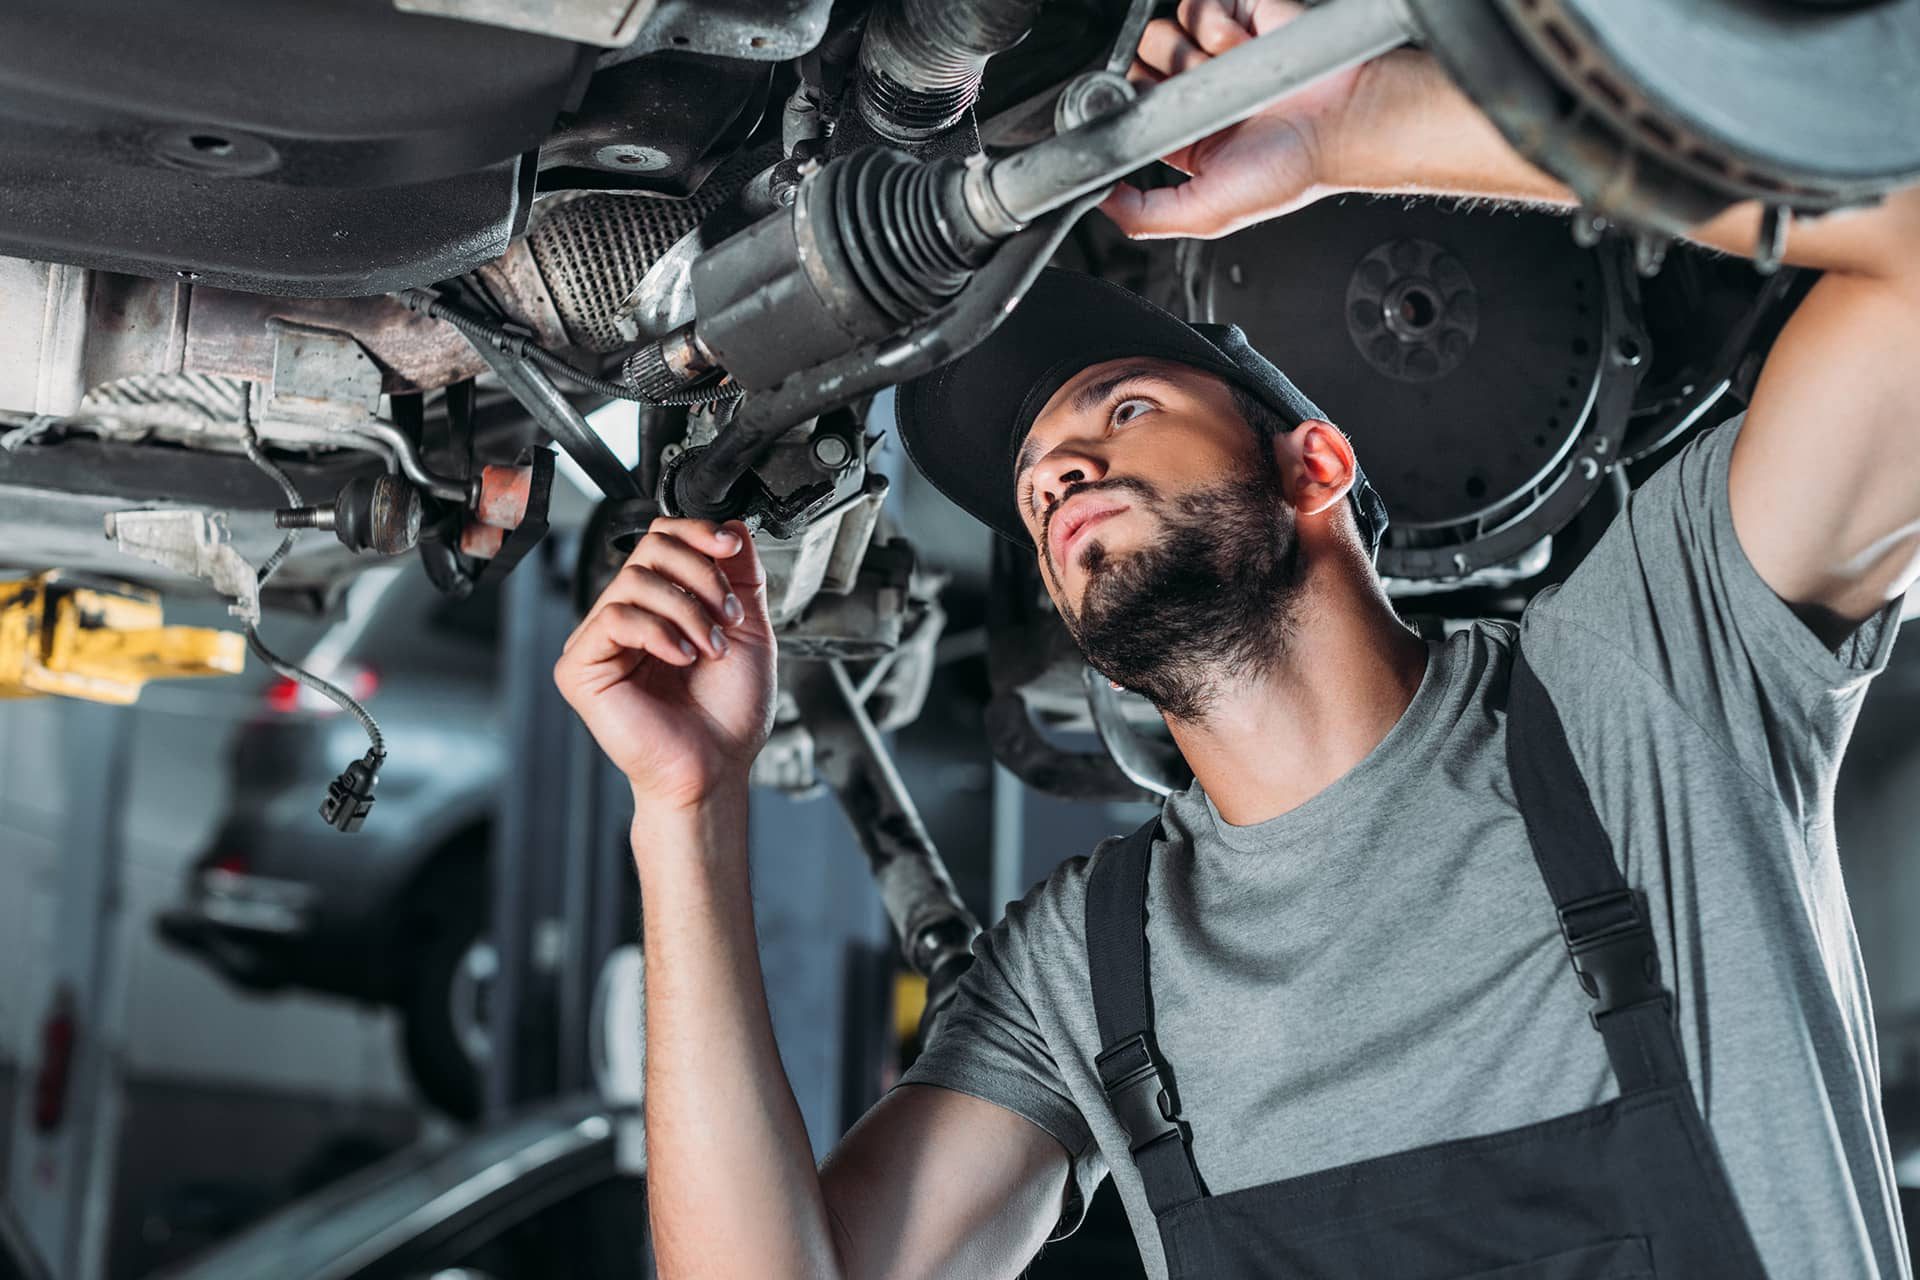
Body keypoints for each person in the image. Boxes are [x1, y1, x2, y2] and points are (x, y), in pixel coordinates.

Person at [554, 2, 1920, 1276]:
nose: (1060, 475)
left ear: (1316, 464)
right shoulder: (1096, 975)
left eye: (1119, 410)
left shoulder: (1653, 687)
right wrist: (687, 815)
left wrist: (1358, 126)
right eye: (1036, 488)